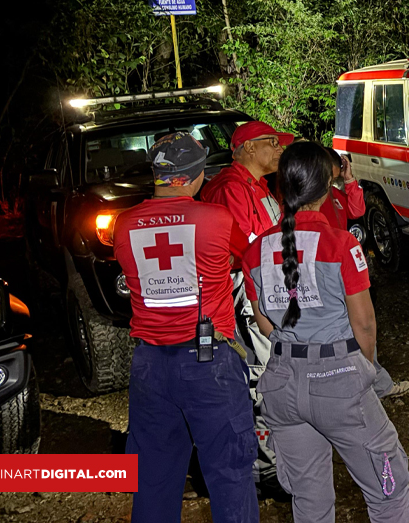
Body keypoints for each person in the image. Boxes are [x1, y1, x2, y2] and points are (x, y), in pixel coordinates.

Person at [244, 142, 409, 522]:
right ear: (324, 187)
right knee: (389, 492)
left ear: (281, 188)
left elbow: (265, 323)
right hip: (338, 380)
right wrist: (364, 370)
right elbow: (365, 324)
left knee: (309, 500)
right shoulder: (340, 244)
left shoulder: (255, 251)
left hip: (282, 386)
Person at [113, 132, 256, 522]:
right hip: (210, 363)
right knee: (230, 475)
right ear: (196, 175)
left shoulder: (123, 225)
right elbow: (251, 259)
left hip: (149, 367)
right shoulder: (216, 219)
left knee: (154, 480)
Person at [202, 120, 295, 484]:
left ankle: (277, 454)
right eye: (273, 143)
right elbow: (244, 248)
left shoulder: (257, 187)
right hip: (246, 290)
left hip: (263, 285)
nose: (279, 150)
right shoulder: (230, 187)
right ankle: (265, 465)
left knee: (272, 367)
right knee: (262, 371)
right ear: (249, 148)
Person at [322, 148, 409, 399]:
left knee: (359, 324)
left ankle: (374, 380)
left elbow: (357, 210)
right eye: (337, 164)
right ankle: (371, 383)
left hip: (344, 268)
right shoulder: (309, 199)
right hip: (328, 272)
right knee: (353, 327)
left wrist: (350, 180)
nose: (341, 167)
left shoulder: (334, 194)